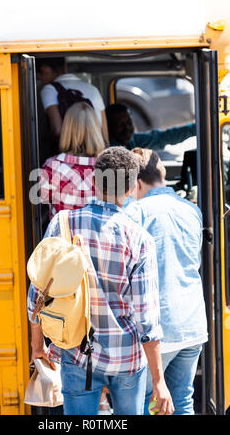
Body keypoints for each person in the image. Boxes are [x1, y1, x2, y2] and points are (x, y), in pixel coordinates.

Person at [28, 146, 174, 416]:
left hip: (77, 353)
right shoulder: (139, 239)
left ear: (94, 182)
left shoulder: (62, 224)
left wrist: (38, 347)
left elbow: (36, 295)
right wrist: (159, 381)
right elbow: (147, 319)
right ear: (131, 189)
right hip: (127, 359)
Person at [124, 148, 208, 415]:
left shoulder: (135, 212)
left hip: (157, 329)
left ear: (136, 183)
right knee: (182, 398)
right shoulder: (192, 210)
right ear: (162, 174)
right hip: (192, 323)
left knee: (146, 401)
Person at [38, 102, 105, 220]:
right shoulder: (110, 167)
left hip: (63, 236)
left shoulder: (51, 167)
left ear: (67, 129)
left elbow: (44, 202)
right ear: (96, 129)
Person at [36, 57, 109, 146]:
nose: (41, 82)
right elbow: (104, 134)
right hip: (95, 150)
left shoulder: (49, 89)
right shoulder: (93, 89)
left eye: (38, 78)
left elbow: (57, 130)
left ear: (45, 69)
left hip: (70, 152)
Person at [106, 103, 196, 150]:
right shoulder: (109, 151)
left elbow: (163, 137)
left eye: (129, 123)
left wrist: (197, 128)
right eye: (120, 125)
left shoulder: (132, 140)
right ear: (109, 127)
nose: (127, 128)